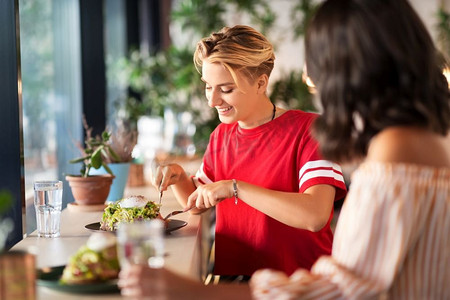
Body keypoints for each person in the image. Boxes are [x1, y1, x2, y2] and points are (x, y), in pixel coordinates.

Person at [118, 0, 450, 298]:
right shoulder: (424, 141)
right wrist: (181, 178)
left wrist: (193, 292)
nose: (312, 78)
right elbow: (200, 201)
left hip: (290, 275)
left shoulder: (390, 151)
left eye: (319, 71)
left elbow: (337, 284)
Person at [151, 24, 347, 279]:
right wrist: (177, 176)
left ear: (261, 83)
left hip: (300, 285)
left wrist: (235, 187)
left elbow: (315, 215)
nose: (212, 101)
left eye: (226, 89)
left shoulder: (310, 130)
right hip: (236, 285)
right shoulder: (220, 137)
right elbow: (197, 204)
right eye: (208, 86)